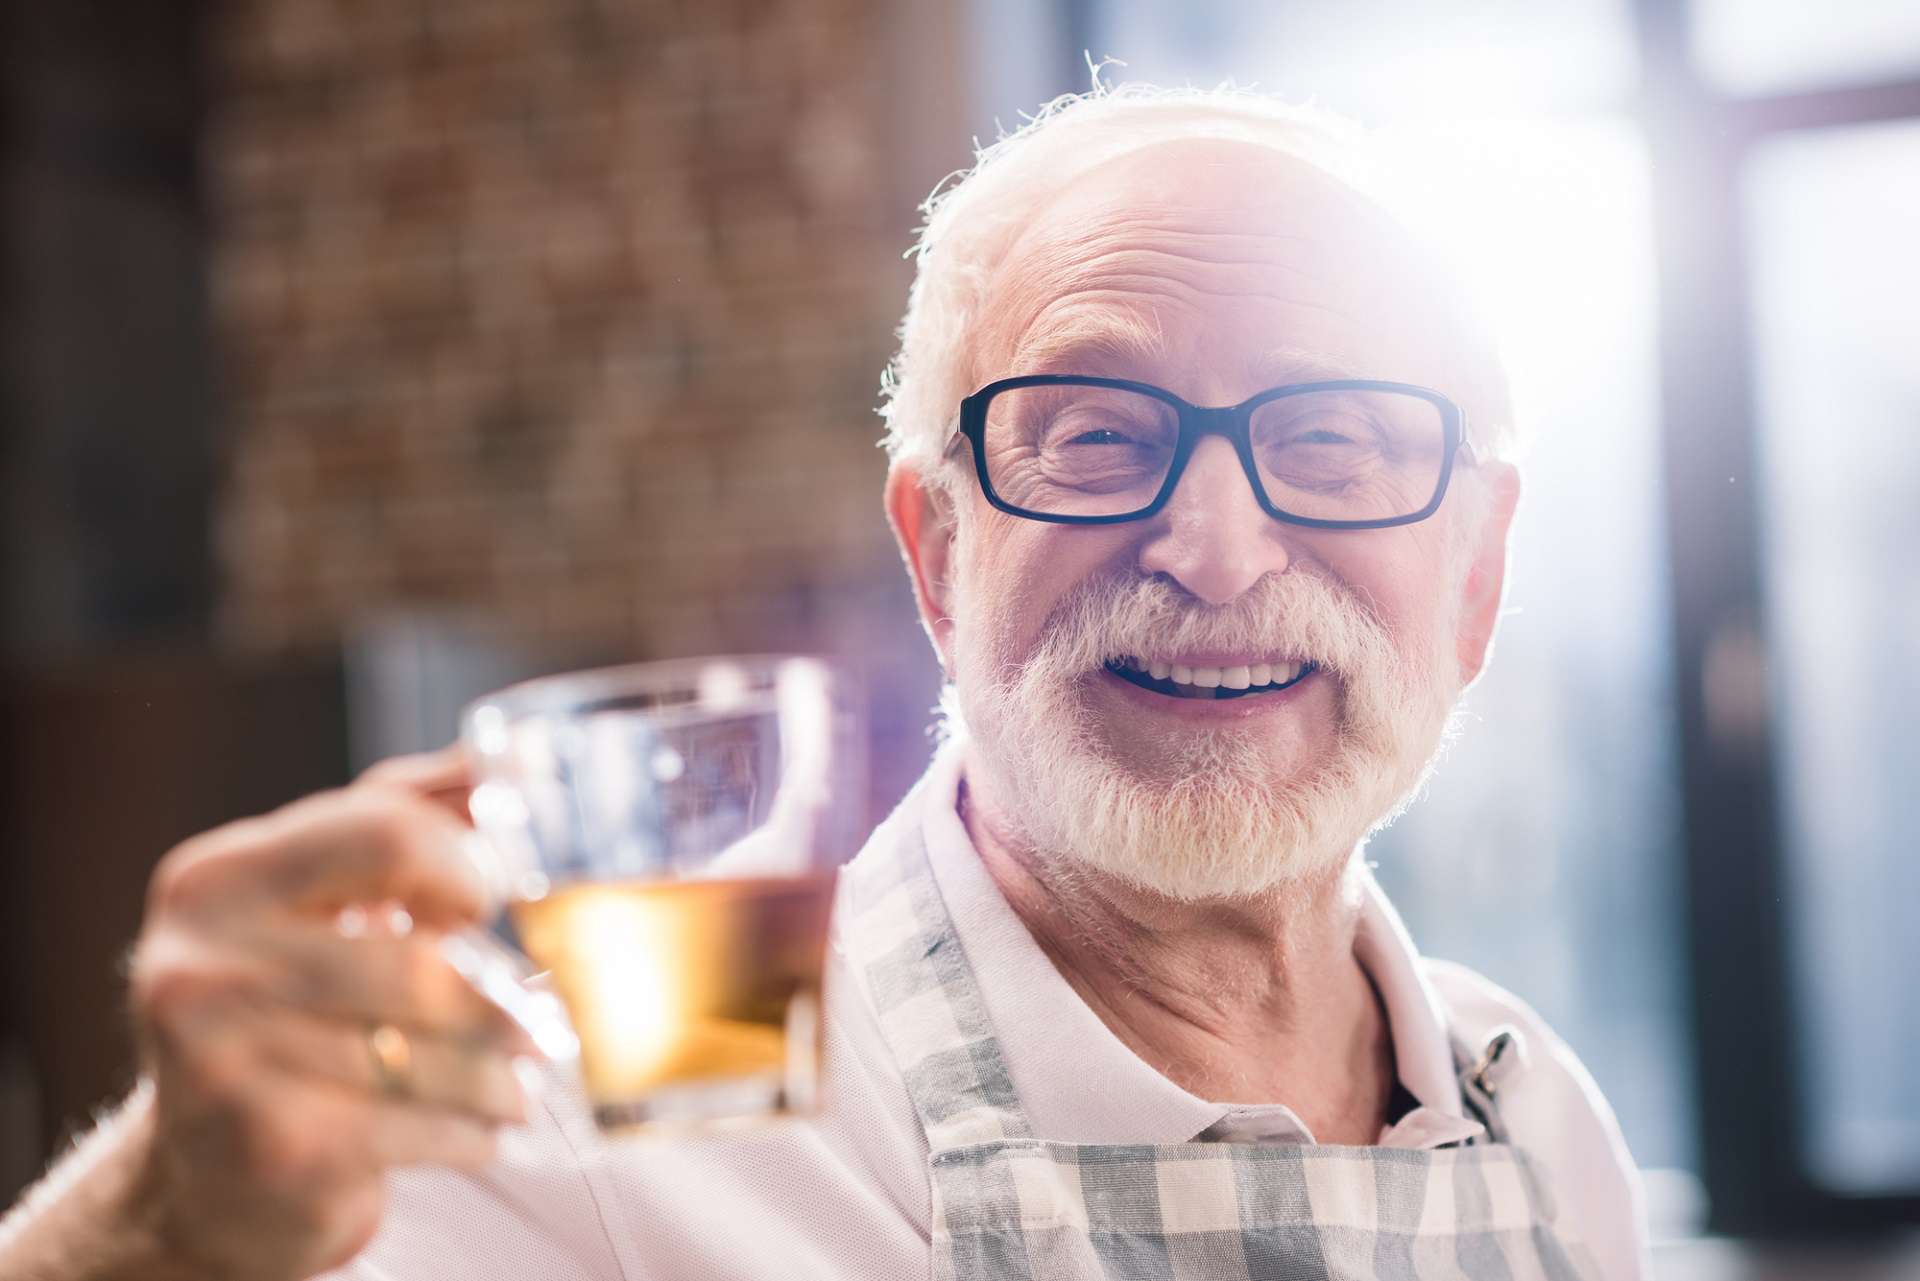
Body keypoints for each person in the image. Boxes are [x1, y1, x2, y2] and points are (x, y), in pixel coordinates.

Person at [0, 85, 1648, 1280]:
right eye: (1095, 436)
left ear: (1478, 577)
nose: (1214, 546)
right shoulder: (620, 1111)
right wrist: (152, 1225)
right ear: (936, 556)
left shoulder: (1542, 1122)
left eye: (1331, 440)